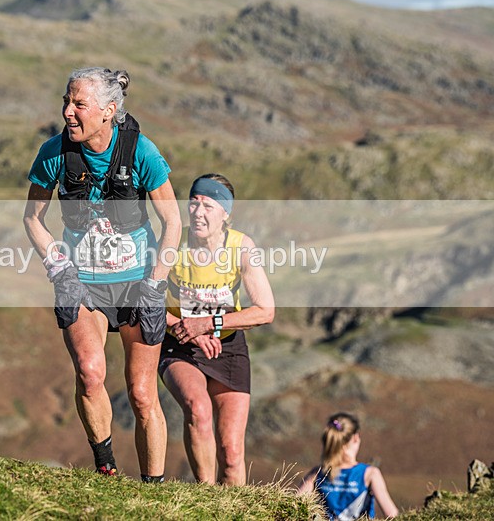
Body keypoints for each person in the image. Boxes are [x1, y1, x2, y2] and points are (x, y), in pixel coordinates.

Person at [23, 67, 182, 482]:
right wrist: (60, 269)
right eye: (66, 101)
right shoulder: (54, 153)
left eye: (79, 104)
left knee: (142, 394)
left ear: (109, 110)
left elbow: (173, 223)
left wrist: (155, 284)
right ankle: (106, 465)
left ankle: (154, 487)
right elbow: (32, 219)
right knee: (90, 373)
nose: (67, 112)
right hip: (83, 283)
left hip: (136, 284)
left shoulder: (143, 152)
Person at [161, 173, 275, 485]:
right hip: (180, 343)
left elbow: (265, 310)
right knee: (198, 411)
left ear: (225, 214)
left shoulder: (241, 247)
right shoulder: (173, 242)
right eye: (194, 204)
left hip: (227, 348)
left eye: (208, 206)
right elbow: (144, 299)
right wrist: (189, 328)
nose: (198, 213)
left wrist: (210, 323)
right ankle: (205, 497)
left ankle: (234, 511)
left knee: (232, 451)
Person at [298, 412, 399, 520]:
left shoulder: (317, 473)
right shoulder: (370, 474)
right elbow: (392, 514)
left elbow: (294, 505)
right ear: (356, 438)